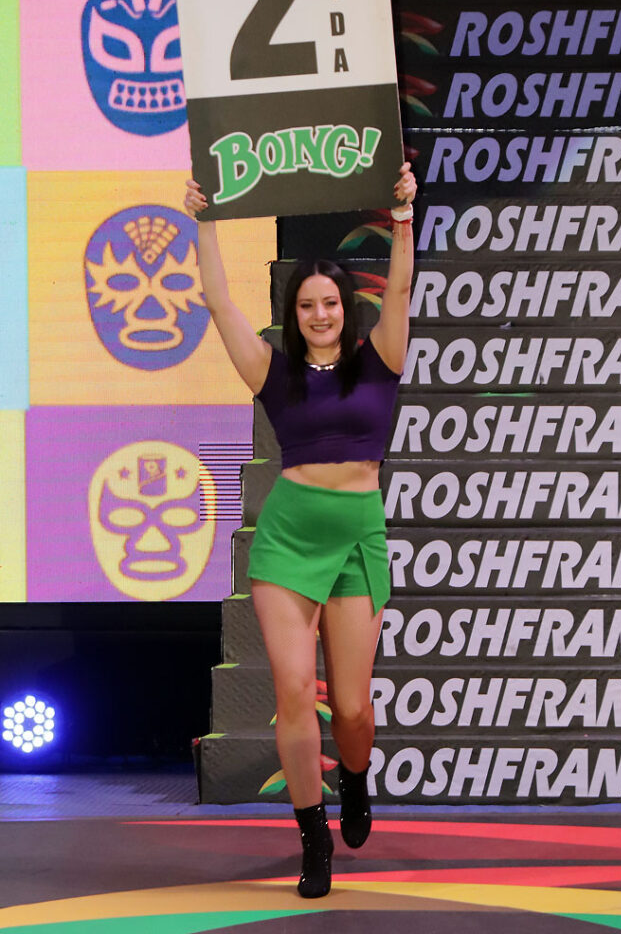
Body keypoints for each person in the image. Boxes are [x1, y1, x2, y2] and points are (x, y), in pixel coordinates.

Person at [184, 163, 417, 897]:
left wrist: (403, 217)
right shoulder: (273, 372)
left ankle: (356, 778)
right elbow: (219, 301)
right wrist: (204, 220)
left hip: (357, 542)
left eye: (330, 303)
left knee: (351, 708)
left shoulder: (380, 362)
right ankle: (313, 836)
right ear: (295, 312)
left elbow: (400, 291)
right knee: (292, 692)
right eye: (308, 305)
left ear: (345, 308)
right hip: (286, 543)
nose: (320, 314)